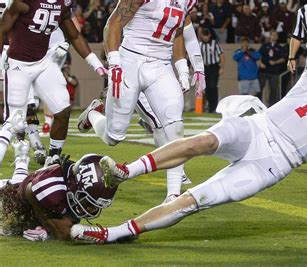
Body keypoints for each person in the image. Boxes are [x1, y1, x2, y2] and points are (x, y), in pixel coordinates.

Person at [71, 39, 307, 244]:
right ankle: (124, 170)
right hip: (260, 127)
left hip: (276, 164)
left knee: (196, 200)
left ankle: (115, 233)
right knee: (202, 141)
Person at [77, 0, 206, 203]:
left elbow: (179, 31)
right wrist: (115, 63)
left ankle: (172, 195)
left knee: (174, 126)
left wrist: (186, 68)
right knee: (114, 136)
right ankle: (93, 113)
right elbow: (114, 23)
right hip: (130, 61)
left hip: (160, 65)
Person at [0, 0, 107, 167]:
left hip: (42, 62)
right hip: (17, 65)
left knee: (63, 109)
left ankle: (54, 157)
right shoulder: (22, 2)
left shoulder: (62, 4)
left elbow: (74, 35)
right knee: (14, 122)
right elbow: (1, 29)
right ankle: (21, 165)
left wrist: (96, 63)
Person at [0, 143, 118, 241]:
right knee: (14, 188)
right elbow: (65, 233)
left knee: (19, 182)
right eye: (89, 203)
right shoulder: (51, 190)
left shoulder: (73, 178)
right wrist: (48, 226)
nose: (92, 209)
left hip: (26, 185)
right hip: (8, 200)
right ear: (76, 186)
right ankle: (22, 157)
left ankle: (22, 157)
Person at [259, 30, 287, 106]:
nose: (274, 36)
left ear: (277, 37)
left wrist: (275, 62)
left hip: (274, 72)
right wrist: (260, 63)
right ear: (270, 36)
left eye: (276, 35)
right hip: (263, 71)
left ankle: (271, 106)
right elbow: (259, 56)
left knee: (273, 90)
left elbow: (283, 59)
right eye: (273, 35)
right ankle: (258, 106)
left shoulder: (280, 47)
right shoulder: (264, 46)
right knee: (260, 89)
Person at [200, 29, 225, 113]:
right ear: (201, 35)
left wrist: (222, 67)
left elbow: (221, 55)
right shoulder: (200, 45)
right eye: (204, 35)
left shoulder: (214, 43)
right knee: (206, 88)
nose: (205, 37)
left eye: (207, 35)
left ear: (209, 35)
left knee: (213, 87)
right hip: (204, 68)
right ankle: (210, 106)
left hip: (213, 67)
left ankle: (214, 107)